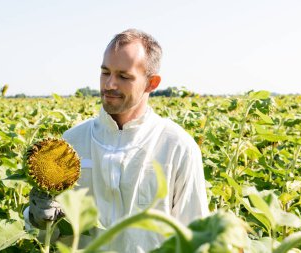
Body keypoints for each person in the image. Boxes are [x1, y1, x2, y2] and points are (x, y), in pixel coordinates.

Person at [25, 28, 209, 252]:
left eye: (124, 76)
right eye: (105, 72)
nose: (109, 84)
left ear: (152, 83)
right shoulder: (70, 143)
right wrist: (34, 217)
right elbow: (46, 230)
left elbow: (194, 234)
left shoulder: (177, 147)